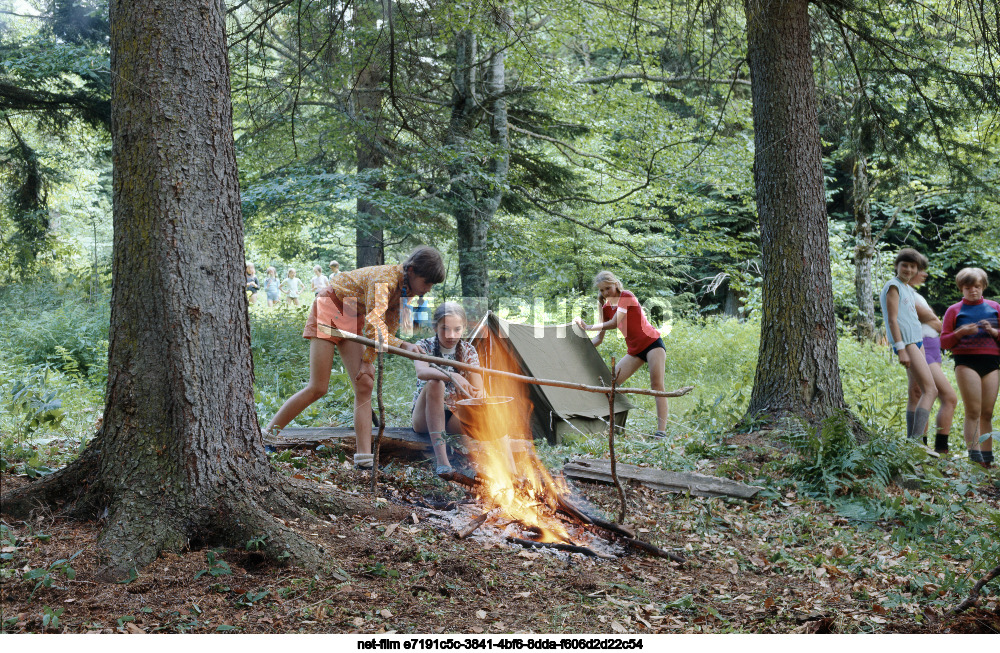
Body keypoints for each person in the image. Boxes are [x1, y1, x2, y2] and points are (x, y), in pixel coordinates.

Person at [265, 246, 446, 469]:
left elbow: (386, 326)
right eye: (426, 283)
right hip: (330, 306)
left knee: (364, 384)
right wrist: (404, 344)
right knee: (318, 387)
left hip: (352, 311)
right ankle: (267, 438)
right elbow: (374, 331)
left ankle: (364, 460)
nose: (428, 289)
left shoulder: (406, 290)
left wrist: (368, 361)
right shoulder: (385, 282)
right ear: (411, 270)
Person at [573, 271, 668, 438]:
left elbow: (614, 322)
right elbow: (599, 339)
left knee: (657, 386)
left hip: (652, 343)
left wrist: (588, 326)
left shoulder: (626, 296)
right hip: (635, 351)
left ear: (615, 284)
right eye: (602, 290)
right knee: (611, 383)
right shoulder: (605, 308)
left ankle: (661, 431)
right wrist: (580, 348)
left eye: (608, 288)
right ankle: (607, 426)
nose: (605, 293)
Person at [411, 302, 483, 475]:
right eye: (445, 329)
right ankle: (442, 461)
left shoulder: (468, 350)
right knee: (435, 383)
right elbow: (422, 372)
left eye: (457, 329)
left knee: (485, 403)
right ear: (435, 327)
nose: (451, 335)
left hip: (454, 419)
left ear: (464, 328)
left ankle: (503, 466)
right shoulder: (423, 345)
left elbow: (479, 388)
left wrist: (476, 394)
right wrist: (453, 375)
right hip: (423, 419)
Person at [940, 267, 1000, 468]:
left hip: (992, 363)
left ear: (983, 286)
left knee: (987, 412)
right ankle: (975, 459)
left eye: (977, 286)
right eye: (968, 287)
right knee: (973, 411)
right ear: (961, 289)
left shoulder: (995, 307)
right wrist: (960, 332)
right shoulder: (954, 310)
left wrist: (993, 332)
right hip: (966, 362)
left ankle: (987, 460)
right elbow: (944, 342)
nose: (973, 290)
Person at [880, 248, 938, 441]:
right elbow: (892, 320)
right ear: (897, 266)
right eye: (904, 265)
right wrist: (901, 348)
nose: (908, 269)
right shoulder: (893, 286)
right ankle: (916, 443)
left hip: (917, 341)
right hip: (907, 343)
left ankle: (911, 443)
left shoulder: (907, 288)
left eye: (912, 266)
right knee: (932, 390)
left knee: (918, 391)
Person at [908, 259, 958, 453]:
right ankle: (937, 449)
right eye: (921, 270)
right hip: (923, 346)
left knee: (917, 393)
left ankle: (920, 447)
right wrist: (937, 321)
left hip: (930, 346)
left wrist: (936, 321)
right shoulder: (907, 294)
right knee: (949, 397)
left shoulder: (915, 294)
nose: (925, 274)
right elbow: (934, 322)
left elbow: (935, 321)